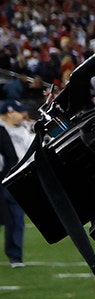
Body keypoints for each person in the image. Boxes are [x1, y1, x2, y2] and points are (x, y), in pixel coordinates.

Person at [1, 100, 33, 267]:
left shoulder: (24, 131)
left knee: (16, 218)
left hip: (15, 179)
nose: (23, 115)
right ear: (9, 112)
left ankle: (15, 256)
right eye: (20, 112)